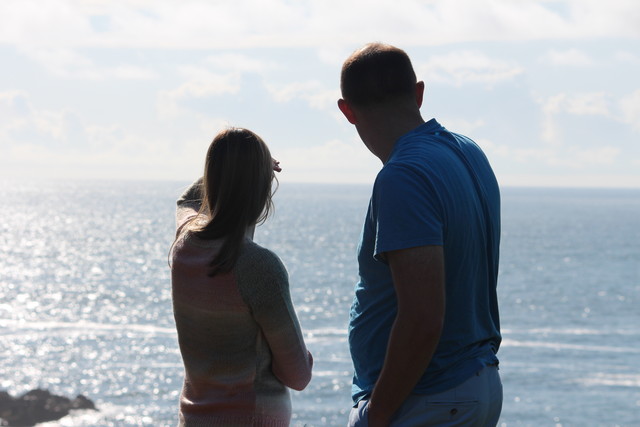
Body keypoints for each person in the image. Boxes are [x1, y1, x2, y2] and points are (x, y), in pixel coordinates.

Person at [337, 43, 502, 426]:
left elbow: (424, 317)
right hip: (470, 384)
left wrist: (377, 414)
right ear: (419, 92)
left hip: (430, 398)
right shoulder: (467, 152)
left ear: (347, 111)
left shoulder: (403, 177)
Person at [169, 127, 313, 426]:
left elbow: (187, 200)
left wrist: (234, 166)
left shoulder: (184, 244)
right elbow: (298, 376)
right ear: (262, 189)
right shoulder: (258, 267)